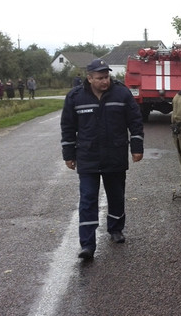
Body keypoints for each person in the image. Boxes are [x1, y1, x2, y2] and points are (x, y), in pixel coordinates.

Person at [60, 58, 144, 260]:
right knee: (88, 199)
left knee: (116, 195)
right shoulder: (75, 97)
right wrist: (68, 155)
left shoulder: (122, 93)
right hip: (88, 157)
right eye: (99, 78)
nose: (104, 81)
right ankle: (87, 245)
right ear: (89, 78)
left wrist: (137, 148)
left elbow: (135, 121)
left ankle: (115, 229)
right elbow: (68, 127)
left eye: (106, 77)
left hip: (115, 156)